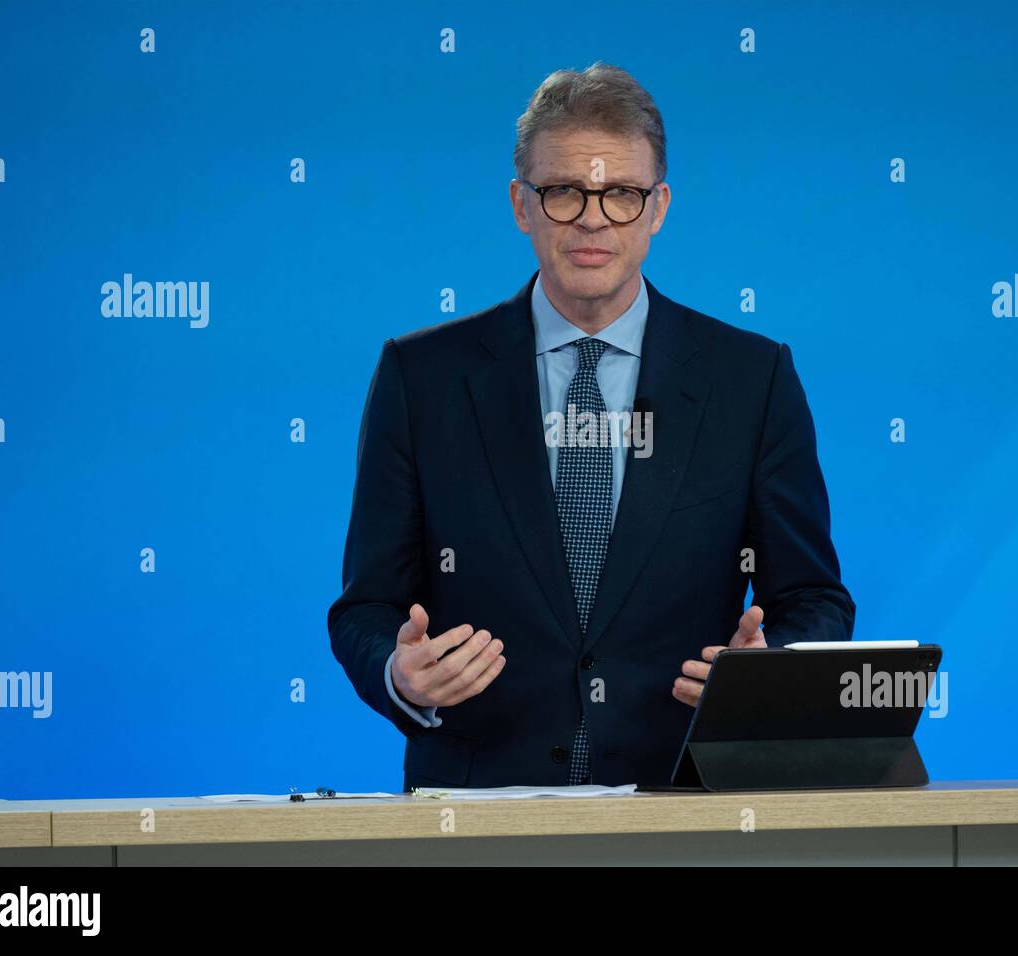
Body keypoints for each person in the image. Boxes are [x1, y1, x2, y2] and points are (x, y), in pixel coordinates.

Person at [328, 62, 855, 789]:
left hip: (684, 805)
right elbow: (367, 605)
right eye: (564, 191)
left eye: (622, 195)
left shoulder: (751, 378)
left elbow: (812, 600)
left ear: (659, 205)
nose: (593, 218)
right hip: (476, 814)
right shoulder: (422, 378)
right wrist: (400, 671)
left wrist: (764, 680)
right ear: (521, 204)